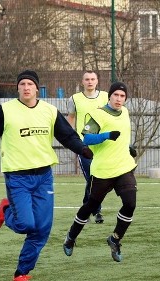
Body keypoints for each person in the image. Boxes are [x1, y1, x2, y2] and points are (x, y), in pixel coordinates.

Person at [0, 70, 93, 281]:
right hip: (17, 177)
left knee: (42, 229)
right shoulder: (6, 110)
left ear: (36, 88)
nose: (26, 87)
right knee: (25, 224)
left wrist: (83, 150)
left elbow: (67, 135)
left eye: (30, 83)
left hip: (43, 177)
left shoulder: (49, 111)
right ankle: (5, 210)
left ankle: (21, 274)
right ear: (18, 88)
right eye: (22, 83)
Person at [62, 82, 137, 262]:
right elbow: (87, 138)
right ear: (109, 96)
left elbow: (122, 135)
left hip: (124, 167)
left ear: (125, 99)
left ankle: (115, 239)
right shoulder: (98, 114)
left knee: (130, 203)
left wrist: (128, 147)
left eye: (122, 96)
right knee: (90, 206)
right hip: (103, 171)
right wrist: (106, 135)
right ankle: (71, 237)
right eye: (116, 95)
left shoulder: (125, 112)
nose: (119, 99)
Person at [66, 71, 109, 224]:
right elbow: (70, 118)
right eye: (87, 79)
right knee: (92, 177)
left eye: (92, 79)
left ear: (97, 81)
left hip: (102, 144)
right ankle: (96, 211)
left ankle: (87, 207)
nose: (90, 82)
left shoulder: (105, 97)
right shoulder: (74, 99)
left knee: (98, 178)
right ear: (82, 82)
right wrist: (70, 139)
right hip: (83, 145)